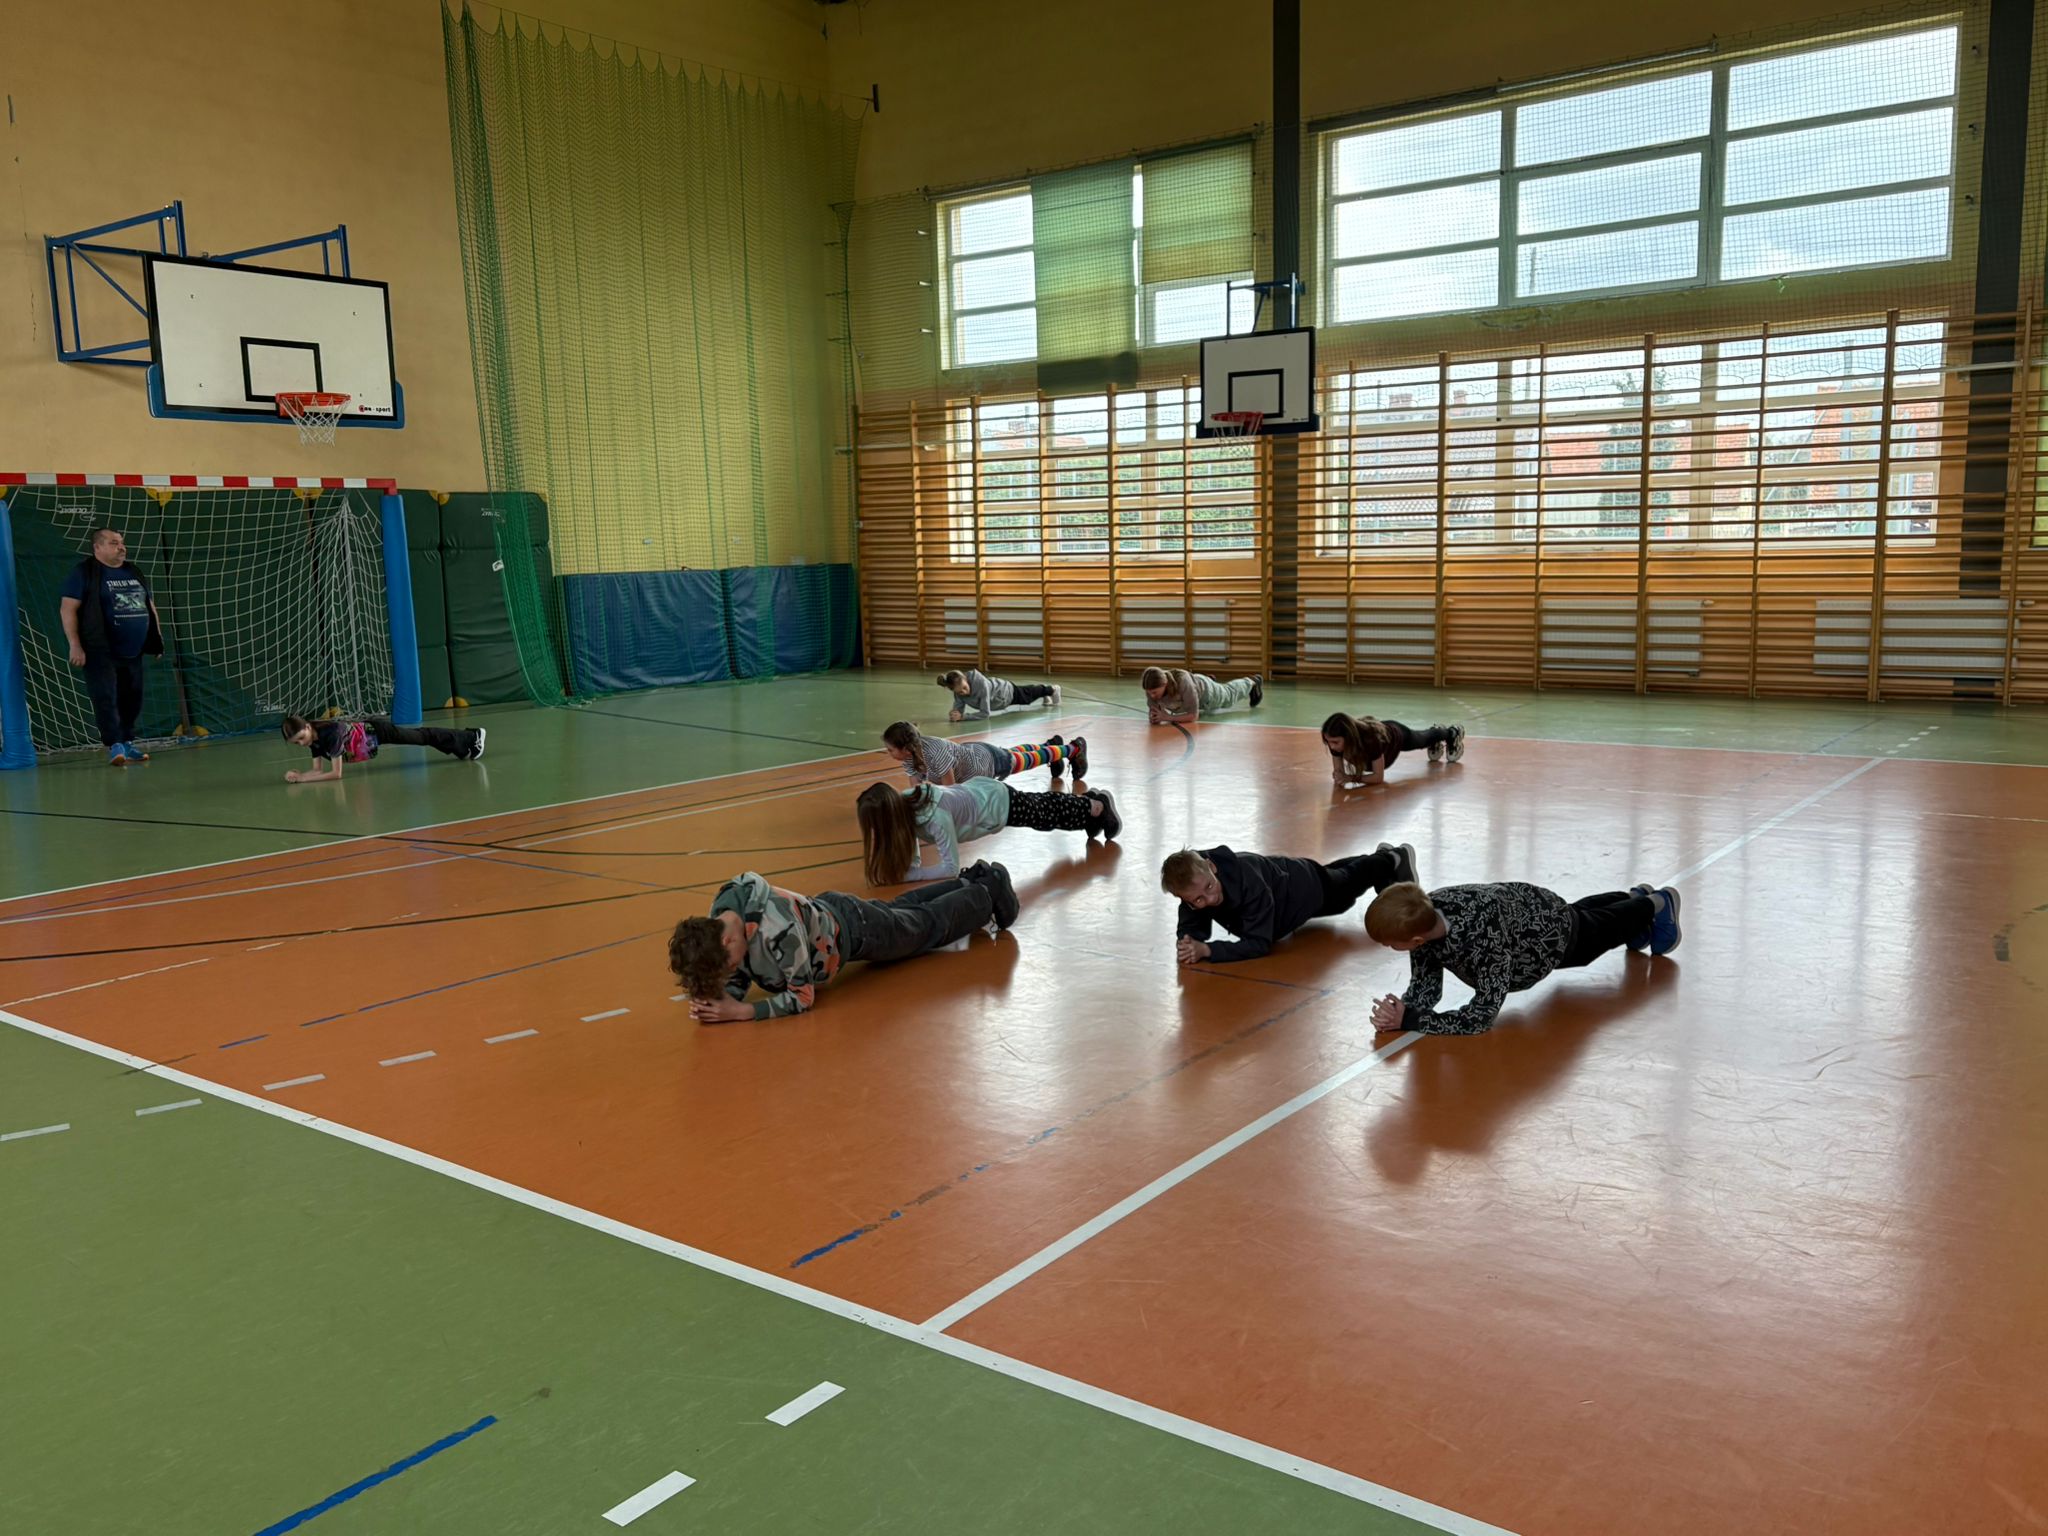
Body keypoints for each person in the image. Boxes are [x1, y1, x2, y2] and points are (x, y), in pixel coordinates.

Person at [671, 863, 1018, 1021]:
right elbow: (742, 963)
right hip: (834, 912)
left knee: (925, 927)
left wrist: (743, 1010)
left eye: (727, 965)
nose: (732, 971)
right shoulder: (723, 914)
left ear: (728, 939)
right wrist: (721, 997)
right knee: (903, 912)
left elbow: (802, 996)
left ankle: (988, 891)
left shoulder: (777, 929)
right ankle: (971, 881)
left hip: (857, 931)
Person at [1364, 879, 1681, 1036]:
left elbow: (1480, 1017)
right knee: (1585, 916)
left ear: (1415, 940)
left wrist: (1413, 1021)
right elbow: (1426, 984)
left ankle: (1657, 903)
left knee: (1591, 935)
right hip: (1531, 909)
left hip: (1552, 934)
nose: (1390, 948)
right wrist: (1404, 1009)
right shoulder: (1425, 913)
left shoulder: (1482, 939)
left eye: (1391, 945)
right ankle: (1634, 898)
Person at [1163, 842, 1416, 965]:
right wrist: (1187, 941)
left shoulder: (1249, 883)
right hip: (1287, 886)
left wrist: (1208, 950)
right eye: (1198, 899)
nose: (1209, 899)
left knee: (1344, 891)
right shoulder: (1196, 888)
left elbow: (1259, 943)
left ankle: (1391, 858)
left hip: (1304, 887)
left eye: (1209, 888)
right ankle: (1375, 859)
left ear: (1212, 866)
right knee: (1336, 876)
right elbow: (1191, 921)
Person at [857, 776, 1120, 884]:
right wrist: (912, 865)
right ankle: (1088, 808)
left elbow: (950, 868)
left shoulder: (935, 817)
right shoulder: (904, 803)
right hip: (981, 793)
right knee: (1044, 808)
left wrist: (912, 875)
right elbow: (910, 833)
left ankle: (1096, 806)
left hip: (995, 804)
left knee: (1044, 813)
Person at [57, 527, 165, 766]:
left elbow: (149, 606)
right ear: (97, 547)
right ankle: (114, 744)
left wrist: (157, 638)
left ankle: (127, 742)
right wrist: (75, 645)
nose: (121, 547)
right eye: (114, 543)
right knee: (105, 696)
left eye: (122, 543)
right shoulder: (84, 572)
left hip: (133, 650)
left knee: (133, 698)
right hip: (99, 649)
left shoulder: (133, 571)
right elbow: (68, 609)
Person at [281, 714, 484, 782]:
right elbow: (317, 770)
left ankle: (472, 737)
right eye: (297, 742)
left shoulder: (330, 734)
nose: (302, 743)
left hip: (378, 731)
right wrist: (299, 775)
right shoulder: (314, 740)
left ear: (308, 727)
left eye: (301, 738)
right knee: (422, 736)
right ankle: (463, 747)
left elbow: (336, 774)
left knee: (422, 737)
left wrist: (303, 780)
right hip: (370, 739)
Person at [882, 721, 1087, 786]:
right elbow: (916, 788)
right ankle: (1051, 746)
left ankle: (1073, 749)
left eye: (891, 749)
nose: (887, 752)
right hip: (977, 753)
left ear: (906, 748)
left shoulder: (934, 752)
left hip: (987, 763)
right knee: (1013, 754)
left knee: (1025, 761)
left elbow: (952, 791)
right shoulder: (910, 757)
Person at [1323, 712, 1465, 785]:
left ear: (1349, 736)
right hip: (1383, 739)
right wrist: (1340, 776)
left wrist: (1350, 778)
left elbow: (1378, 777)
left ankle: (1451, 733)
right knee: (1423, 740)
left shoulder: (1371, 740)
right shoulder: (1336, 743)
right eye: (1328, 742)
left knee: (1421, 739)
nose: (1331, 746)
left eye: (1335, 742)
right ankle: (1436, 738)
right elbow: (1340, 775)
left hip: (1397, 735)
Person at [1140, 665, 1262, 725]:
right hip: (1194, 685)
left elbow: (1193, 716)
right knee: (1194, 690)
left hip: (1207, 693)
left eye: (1154, 692)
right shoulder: (1151, 688)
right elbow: (1155, 715)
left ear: (1165, 684)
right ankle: (1209, 680)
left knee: (1228, 695)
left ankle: (1251, 682)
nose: (1151, 696)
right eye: (1148, 692)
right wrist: (1154, 717)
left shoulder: (1182, 682)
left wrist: (1167, 717)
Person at [938, 668, 1060, 722]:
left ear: (966, 679)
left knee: (1027, 697)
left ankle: (1052, 690)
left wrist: (963, 717)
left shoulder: (981, 685)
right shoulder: (958, 693)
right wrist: (955, 715)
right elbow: (958, 711)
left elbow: (985, 713)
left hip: (1006, 693)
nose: (964, 692)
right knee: (1028, 692)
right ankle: (1045, 693)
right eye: (960, 692)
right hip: (1000, 700)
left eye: (965, 688)